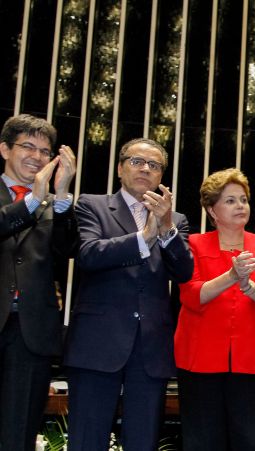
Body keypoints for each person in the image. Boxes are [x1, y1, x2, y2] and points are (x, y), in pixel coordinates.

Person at [63, 138, 194, 451]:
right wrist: (144, 236)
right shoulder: (92, 204)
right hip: (97, 341)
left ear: (161, 176)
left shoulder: (175, 220)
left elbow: (185, 272)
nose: (145, 169)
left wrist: (165, 231)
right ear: (120, 168)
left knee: (142, 441)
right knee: (86, 440)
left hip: (150, 348)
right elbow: (89, 254)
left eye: (154, 165)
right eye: (137, 161)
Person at [175, 168, 255, 451]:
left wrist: (250, 288)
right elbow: (191, 295)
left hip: (251, 358)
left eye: (244, 200)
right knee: (202, 441)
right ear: (212, 210)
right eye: (230, 201)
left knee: (251, 440)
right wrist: (232, 277)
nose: (241, 206)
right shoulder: (193, 244)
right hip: (199, 357)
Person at [0, 114, 77, 451]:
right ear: (4, 149)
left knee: (19, 432)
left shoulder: (53, 205)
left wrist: (60, 197)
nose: (36, 156)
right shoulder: (33, 200)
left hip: (30, 332)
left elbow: (69, 250)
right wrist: (31, 200)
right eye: (27, 146)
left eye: (45, 152)